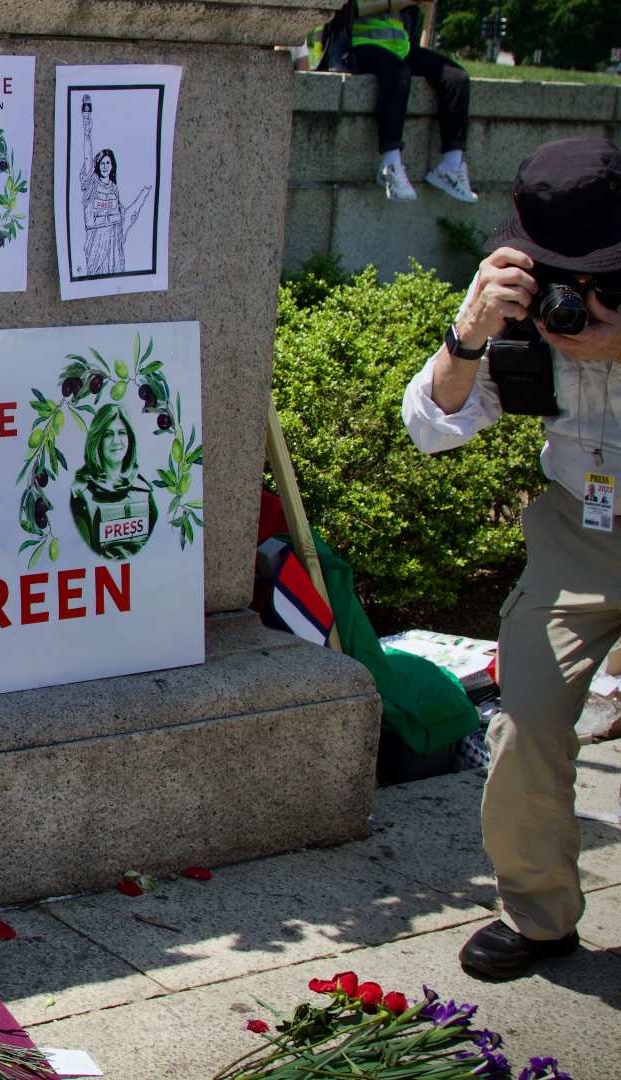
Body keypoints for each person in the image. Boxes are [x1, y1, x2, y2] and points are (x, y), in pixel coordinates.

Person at [401, 138, 621, 980]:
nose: (575, 294)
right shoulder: (514, 292)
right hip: (575, 527)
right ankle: (539, 918)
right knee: (524, 724)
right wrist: (467, 336)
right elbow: (430, 427)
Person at [313, 1, 476, 203]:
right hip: (357, 46)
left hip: (400, 48)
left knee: (456, 78)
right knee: (398, 74)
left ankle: (451, 166)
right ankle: (390, 164)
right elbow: (347, 7)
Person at [69, 404, 158, 560]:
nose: (117, 441)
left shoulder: (144, 491)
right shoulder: (81, 495)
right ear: (97, 440)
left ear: (130, 439)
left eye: (122, 433)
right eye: (108, 434)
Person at [77, 111, 151, 278]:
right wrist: (86, 132)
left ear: (112, 166)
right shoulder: (91, 185)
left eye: (108, 163)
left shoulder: (114, 189)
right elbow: (88, 159)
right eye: (102, 162)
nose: (105, 165)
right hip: (96, 240)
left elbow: (125, 215)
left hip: (114, 239)